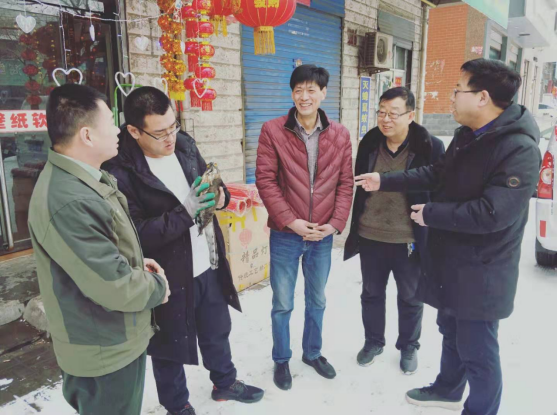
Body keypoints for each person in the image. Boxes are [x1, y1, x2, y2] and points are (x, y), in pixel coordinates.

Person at [356, 58, 541, 414]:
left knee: (478, 351)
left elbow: (493, 213)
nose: (451, 97)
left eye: (458, 90)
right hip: (453, 260)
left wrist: (431, 214)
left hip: (483, 270)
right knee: (451, 331)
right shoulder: (467, 136)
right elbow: (435, 174)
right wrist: (384, 180)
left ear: (482, 97)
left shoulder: (518, 148)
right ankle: (448, 389)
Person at [103, 86, 264, 415]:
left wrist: (222, 198)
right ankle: (177, 405)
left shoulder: (184, 145)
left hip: (207, 262)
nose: (170, 137)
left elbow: (211, 183)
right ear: (134, 131)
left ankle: (224, 382)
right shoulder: (120, 171)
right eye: (160, 132)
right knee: (167, 347)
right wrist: (185, 212)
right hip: (165, 275)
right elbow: (136, 233)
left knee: (217, 329)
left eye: (173, 126)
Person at [28, 84, 170, 415]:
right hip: (103, 352)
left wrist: (135, 262)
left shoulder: (84, 179)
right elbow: (112, 285)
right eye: (110, 121)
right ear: (87, 135)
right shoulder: (69, 199)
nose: (118, 129)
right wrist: (157, 287)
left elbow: (100, 254)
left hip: (111, 341)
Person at [256, 64, 354, 391]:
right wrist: (291, 221)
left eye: (311, 90)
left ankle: (312, 353)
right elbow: (266, 181)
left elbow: (345, 184)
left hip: (322, 235)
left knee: (317, 300)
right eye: (298, 90)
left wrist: (334, 225)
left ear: (324, 93)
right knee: (282, 303)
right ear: (292, 93)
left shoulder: (340, 134)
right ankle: (282, 359)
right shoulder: (273, 130)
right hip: (286, 234)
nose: (304, 96)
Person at [344, 87, 445, 374]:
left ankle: (409, 346)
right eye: (381, 112)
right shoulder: (370, 143)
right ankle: (373, 342)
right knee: (371, 293)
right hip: (370, 234)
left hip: (409, 237)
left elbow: (439, 189)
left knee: (411, 296)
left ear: (410, 116)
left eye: (393, 113)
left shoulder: (430, 146)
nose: (385, 119)